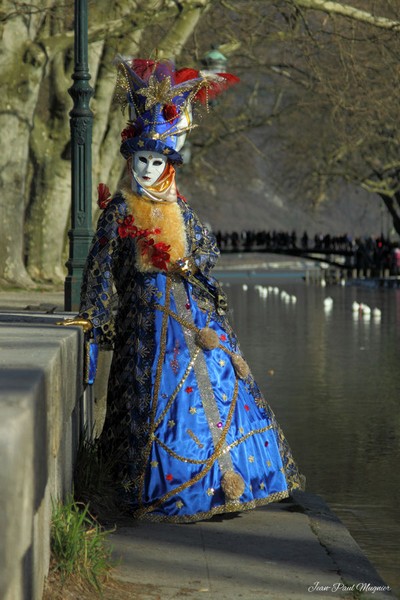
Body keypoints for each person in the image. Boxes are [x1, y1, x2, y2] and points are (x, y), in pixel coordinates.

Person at [62, 57, 303, 523]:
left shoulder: (181, 210)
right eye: (141, 161)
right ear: (131, 160)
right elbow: (99, 266)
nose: (149, 170)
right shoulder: (120, 211)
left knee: (214, 385)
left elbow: (207, 248)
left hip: (193, 319)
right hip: (144, 325)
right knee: (150, 398)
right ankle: (165, 488)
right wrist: (93, 315)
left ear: (169, 165)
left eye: (156, 161)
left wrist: (192, 262)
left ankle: (226, 485)